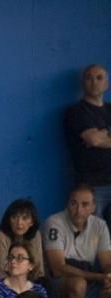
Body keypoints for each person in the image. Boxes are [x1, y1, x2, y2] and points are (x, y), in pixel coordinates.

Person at [42, 184, 111, 298]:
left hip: (90, 278)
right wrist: (98, 277)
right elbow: (57, 269)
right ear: (67, 204)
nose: (79, 210)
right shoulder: (54, 222)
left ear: (93, 207)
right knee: (79, 284)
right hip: (58, 281)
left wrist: (108, 278)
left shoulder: (100, 225)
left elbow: (107, 263)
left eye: (85, 204)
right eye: (74, 204)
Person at [64, 64, 111, 221]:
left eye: (99, 78)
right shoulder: (76, 111)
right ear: (83, 82)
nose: (94, 82)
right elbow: (94, 140)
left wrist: (102, 135)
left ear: (106, 84)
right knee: (91, 231)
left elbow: (97, 139)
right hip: (91, 185)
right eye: (89, 78)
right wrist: (99, 137)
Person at [0, 199, 45, 282]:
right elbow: (0, 276)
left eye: (25, 218)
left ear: (32, 222)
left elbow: (39, 272)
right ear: (8, 220)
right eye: (14, 217)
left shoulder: (36, 235)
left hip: (30, 285)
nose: (19, 223)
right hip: (5, 286)